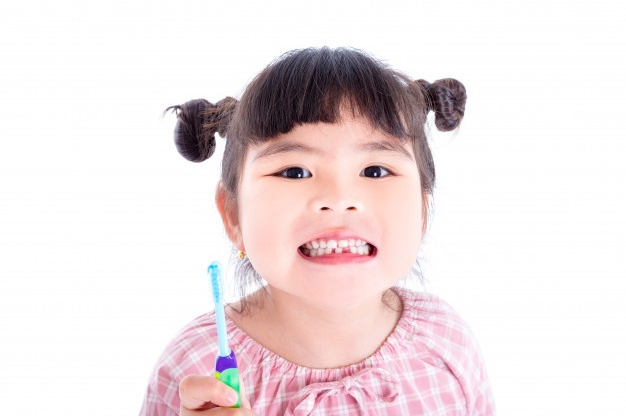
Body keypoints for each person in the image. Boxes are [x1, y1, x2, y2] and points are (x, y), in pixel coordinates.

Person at [140, 47, 496, 415]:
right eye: (295, 171)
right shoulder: (194, 374)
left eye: (375, 171)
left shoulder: (447, 344)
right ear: (232, 214)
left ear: (422, 211)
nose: (338, 199)